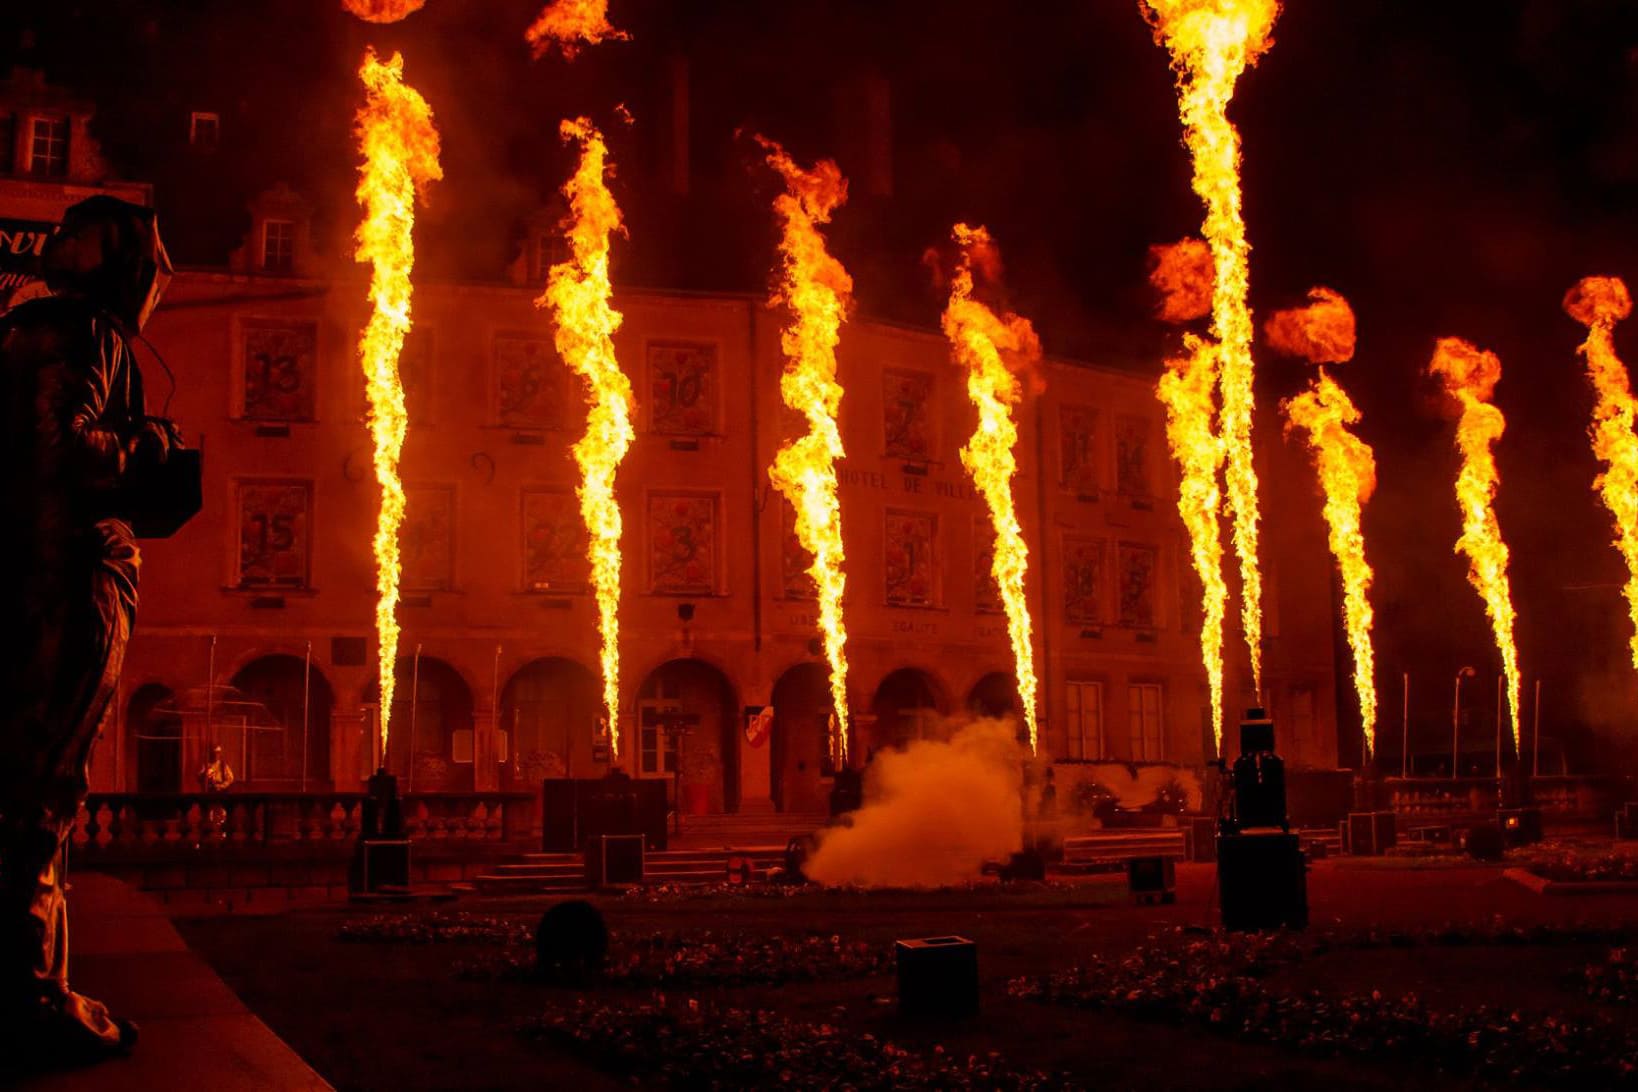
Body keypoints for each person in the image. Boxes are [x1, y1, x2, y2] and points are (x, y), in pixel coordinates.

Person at [0, 195, 178, 1063]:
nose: (62, 238)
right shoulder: (86, 334)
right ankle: (29, 996)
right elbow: (64, 447)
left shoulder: (21, 330)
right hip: (74, 573)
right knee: (46, 788)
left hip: (25, 568)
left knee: (25, 780)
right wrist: (144, 451)